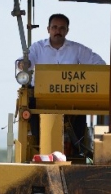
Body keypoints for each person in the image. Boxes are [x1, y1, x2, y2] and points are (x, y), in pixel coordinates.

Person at [22, 13, 106, 150]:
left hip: (71, 98)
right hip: (42, 98)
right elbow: (26, 61)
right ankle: (39, 145)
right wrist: (23, 64)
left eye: (62, 28)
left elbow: (99, 64)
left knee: (81, 111)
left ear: (67, 31)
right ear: (48, 29)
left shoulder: (77, 49)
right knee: (30, 108)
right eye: (54, 27)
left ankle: (78, 149)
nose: (58, 31)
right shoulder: (37, 48)